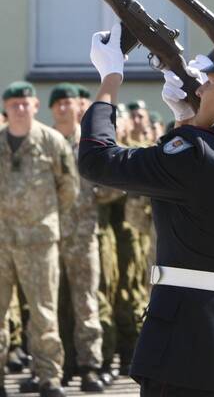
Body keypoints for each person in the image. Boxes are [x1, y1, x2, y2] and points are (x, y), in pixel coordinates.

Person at [79, 23, 214, 396]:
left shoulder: (195, 153)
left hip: (187, 347)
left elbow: (97, 161)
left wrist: (110, 78)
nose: (198, 89)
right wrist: (189, 121)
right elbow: (205, 192)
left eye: (208, 84)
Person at [0, 81, 79, 397]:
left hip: (39, 241)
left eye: (25, 103)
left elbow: (68, 189)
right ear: (5, 109)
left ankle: (49, 378)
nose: (20, 108)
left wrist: (45, 220)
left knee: (44, 313)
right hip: (2, 240)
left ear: (35, 106)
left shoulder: (52, 141)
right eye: (13, 103)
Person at [49, 84, 106, 391]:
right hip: (48, 238)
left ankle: (89, 367)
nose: (62, 108)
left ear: (77, 107)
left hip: (83, 236)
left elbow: (112, 186)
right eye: (57, 103)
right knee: (50, 304)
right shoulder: (45, 143)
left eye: (68, 103)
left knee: (86, 303)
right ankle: (59, 365)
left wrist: (98, 192)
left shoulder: (88, 144)